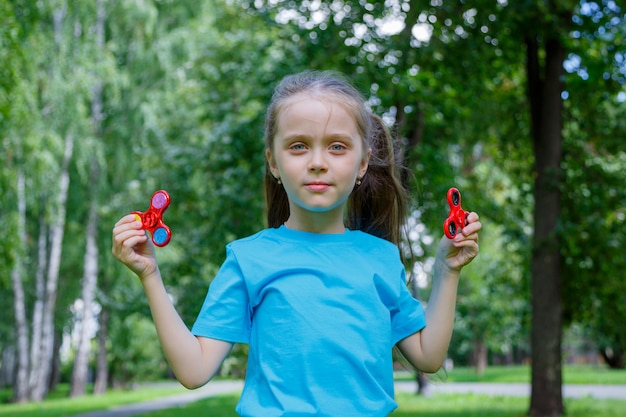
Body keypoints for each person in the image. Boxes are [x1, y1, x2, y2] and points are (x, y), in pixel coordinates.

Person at [112, 70, 481, 416]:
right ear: (273, 163)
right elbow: (194, 371)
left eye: (337, 147)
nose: (318, 162)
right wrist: (150, 275)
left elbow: (428, 357)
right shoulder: (248, 258)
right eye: (299, 146)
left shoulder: (381, 259)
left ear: (363, 163)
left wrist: (446, 271)